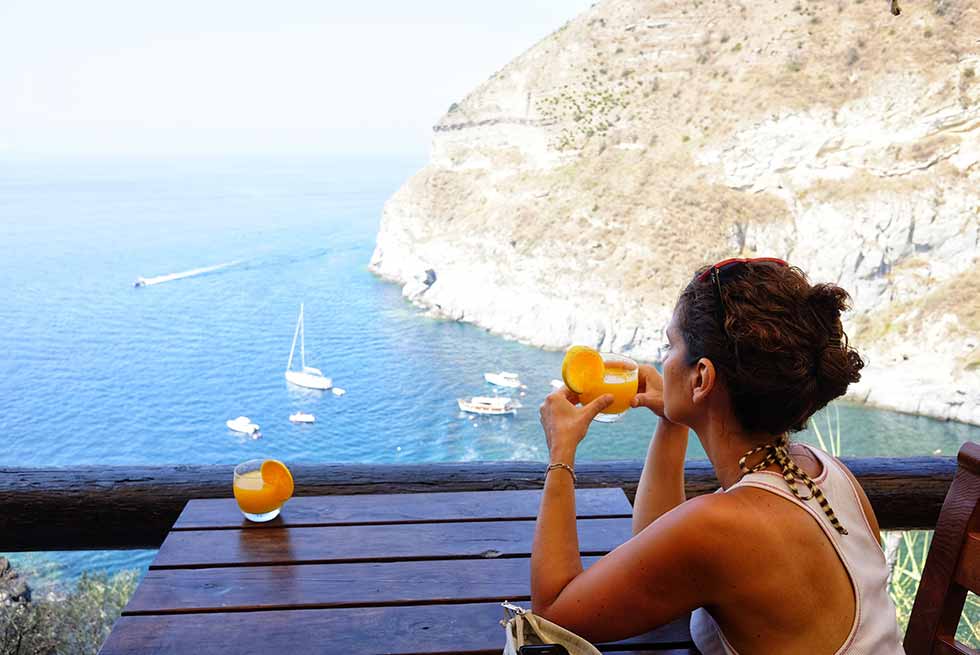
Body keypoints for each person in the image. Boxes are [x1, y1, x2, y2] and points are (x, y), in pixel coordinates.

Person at [533, 258, 905, 654]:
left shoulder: (719, 524)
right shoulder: (828, 472)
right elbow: (656, 559)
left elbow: (553, 612)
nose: (663, 361)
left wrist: (562, 452)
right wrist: (672, 422)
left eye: (670, 345)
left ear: (702, 378)